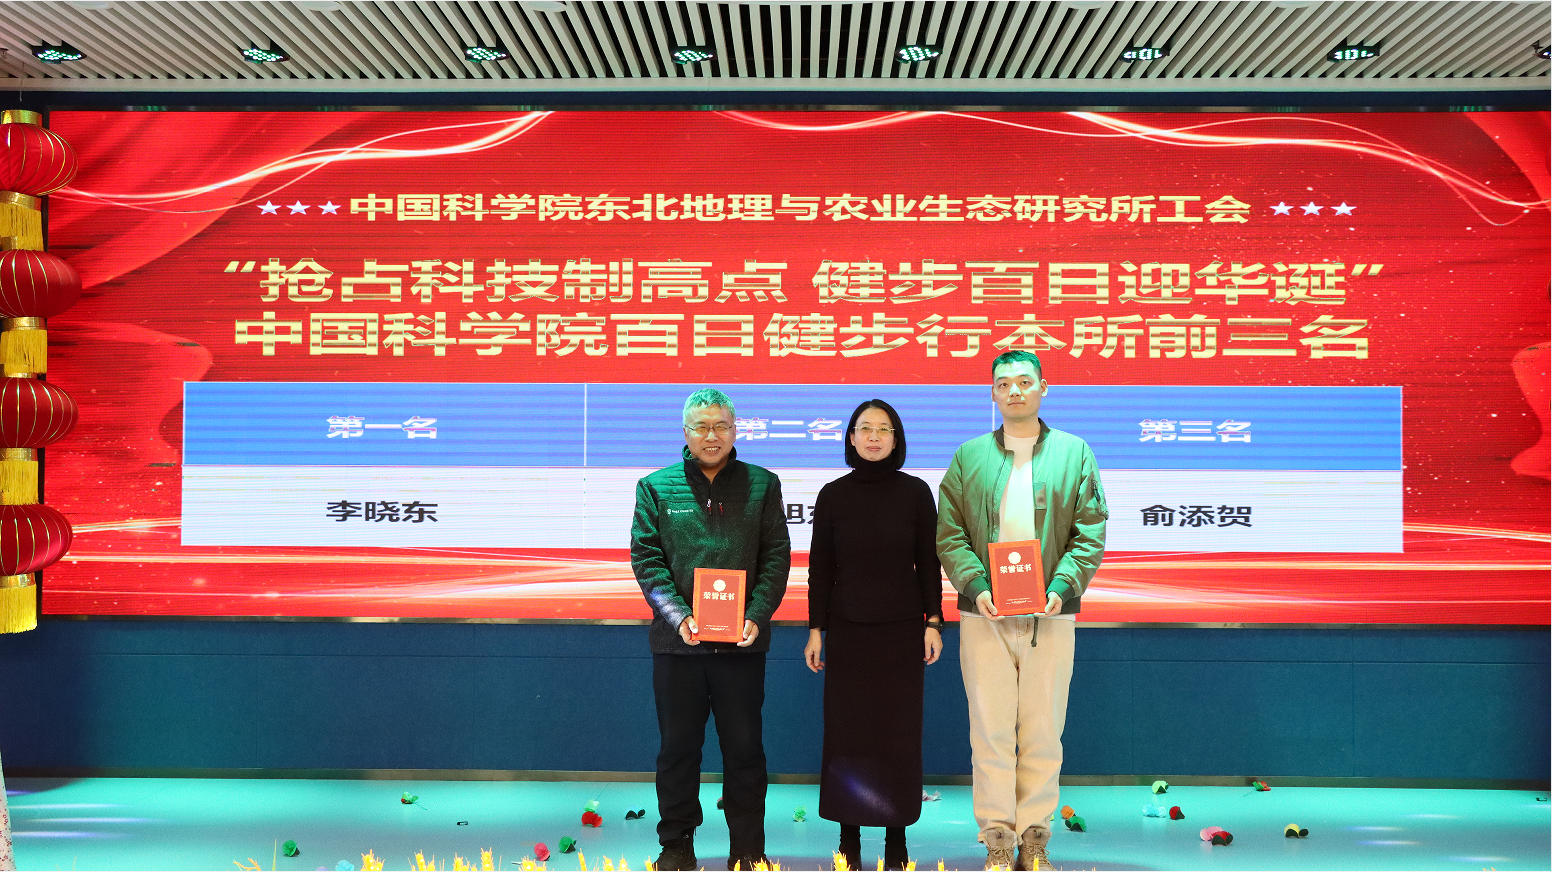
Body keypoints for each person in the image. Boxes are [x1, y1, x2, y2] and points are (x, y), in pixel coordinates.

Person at [936, 351, 1108, 872]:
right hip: (983, 615)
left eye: (1025, 382)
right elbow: (950, 533)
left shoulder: (1074, 453)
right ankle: (997, 838)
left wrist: (1062, 585)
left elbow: (1090, 530)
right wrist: (976, 587)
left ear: (1043, 388)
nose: (1014, 391)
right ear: (992, 393)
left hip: (1051, 615)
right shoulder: (968, 456)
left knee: (1042, 732)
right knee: (989, 733)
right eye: (1003, 383)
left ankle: (1034, 838)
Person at [631, 388, 791, 872]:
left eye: (721, 425)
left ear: (735, 430)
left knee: (745, 750)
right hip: (677, 647)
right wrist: (679, 616)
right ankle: (677, 843)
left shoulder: (763, 485)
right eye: (701, 427)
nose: (711, 435)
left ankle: (748, 847)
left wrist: (756, 615)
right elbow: (647, 560)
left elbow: (776, 557)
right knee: (678, 751)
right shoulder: (656, 487)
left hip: (742, 645)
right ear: (685, 433)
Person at [804, 399, 944, 871]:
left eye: (884, 429)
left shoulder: (916, 492)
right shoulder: (833, 495)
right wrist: (816, 630)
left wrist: (933, 621)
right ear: (851, 437)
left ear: (896, 438)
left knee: (895, 736)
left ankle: (896, 837)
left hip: (901, 633)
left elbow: (928, 562)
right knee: (848, 736)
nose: (874, 436)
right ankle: (849, 838)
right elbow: (820, 568)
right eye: (865, 428)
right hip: (848, 632)